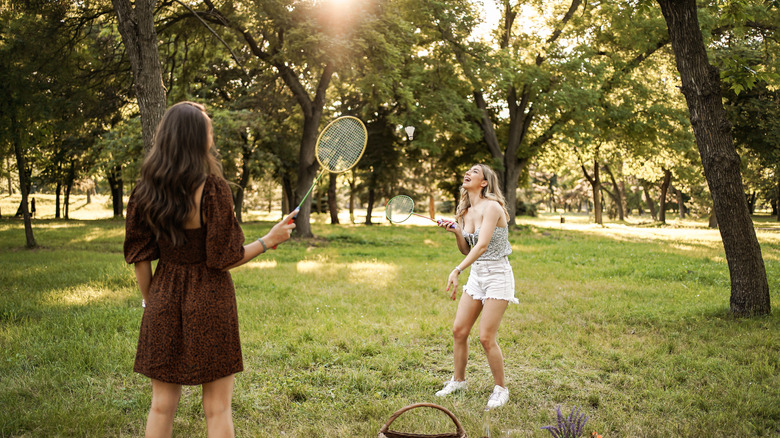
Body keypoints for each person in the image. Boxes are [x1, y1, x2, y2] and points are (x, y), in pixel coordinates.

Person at [123, 101, 297, 438]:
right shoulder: (213, 189)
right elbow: (224, 257)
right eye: (208, 130)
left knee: (161, 405)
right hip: (211, 299)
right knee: (217, 409)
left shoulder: (144, 191)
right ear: (194, 138)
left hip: (162, 297)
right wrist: (269, 240)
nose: (212, 136)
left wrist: (152, 299)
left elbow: (140, 256)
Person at [434, 164, 518, 410]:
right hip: (478, 276)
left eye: (474, 171)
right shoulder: (465, 212)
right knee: (459, 331)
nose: (468, 173)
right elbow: (467, 249)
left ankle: (501, 389)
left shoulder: (492, 207)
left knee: (485, 337)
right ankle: (458, 381)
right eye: (467, 171)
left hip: (498, 275)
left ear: (484, 183)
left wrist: (457, 269)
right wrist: (458, 231)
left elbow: (481, 247)